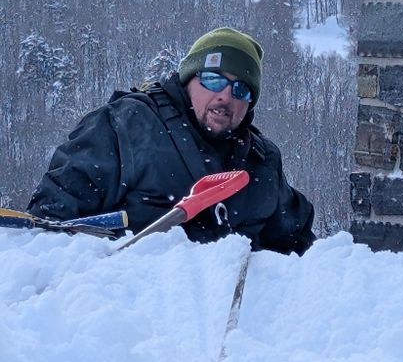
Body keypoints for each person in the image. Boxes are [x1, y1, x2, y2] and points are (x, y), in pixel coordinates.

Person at [27, 27, 315, 253]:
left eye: (241, 89)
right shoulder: (125, 124)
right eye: (213, 80)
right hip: (132, 315)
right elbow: (51, 225)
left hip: (231, 319)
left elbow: (299, 248)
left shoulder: (262, 163)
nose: (225, 96)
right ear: (187, 80)